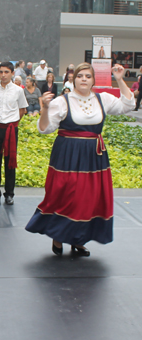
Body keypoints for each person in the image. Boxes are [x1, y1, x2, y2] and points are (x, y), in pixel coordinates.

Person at [25, 63, 135, 257]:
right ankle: (58, 235)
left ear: (93, 80)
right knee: (66, 196)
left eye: (88, 76)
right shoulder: (62, 101)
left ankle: (79, 240)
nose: (84, 79)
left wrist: (119, 79)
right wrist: (45, 108)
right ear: (73, 79)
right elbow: (45, 129)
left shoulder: (103, 99)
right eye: (80, 76)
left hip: (94, 157)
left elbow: (128, 105)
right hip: (67, 156)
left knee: (88, 199)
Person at [0, 62, 28, 205]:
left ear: (12, 73)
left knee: (10, 162)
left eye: (6, 72)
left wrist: (12, 123)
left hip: (11, 129)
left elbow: (22, 110)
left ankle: (9, 194)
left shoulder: (18, 90)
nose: (3, 75)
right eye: (1, 72)